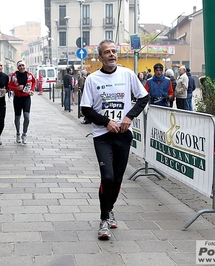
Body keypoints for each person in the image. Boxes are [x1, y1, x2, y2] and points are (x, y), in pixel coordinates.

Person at [80, 39, 149, 240]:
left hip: (123, 135)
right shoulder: (93, 79)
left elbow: (143, 98)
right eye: (107, 52)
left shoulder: (127, 74)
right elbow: (85, 109)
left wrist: (129, 117)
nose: (111, 55)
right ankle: (103, 220)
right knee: (107, 177)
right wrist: (105, 122)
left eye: (114, 51)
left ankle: (109, 209)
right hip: (102, 136)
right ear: (100, 57)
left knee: (118, 179)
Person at [7, 60, 36, 144]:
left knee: (27, 117)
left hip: (26, 98)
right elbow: (9, 85)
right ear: (17, 67)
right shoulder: (14, 75)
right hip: (17, 98)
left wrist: (32, 90)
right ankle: (18, 133)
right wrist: (16, 88)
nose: (21, 67)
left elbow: (34, 82)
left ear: (25, 66)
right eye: (20, 66)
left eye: (23, 65)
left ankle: (24, 133)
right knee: (17, 117)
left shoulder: (29, 75)